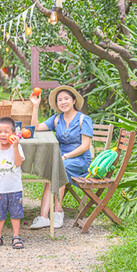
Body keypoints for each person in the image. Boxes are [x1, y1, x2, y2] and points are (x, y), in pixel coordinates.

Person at [28, 85, 93, 229]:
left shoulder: (84, 119)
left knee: (58, 168)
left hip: (79, 160)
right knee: (56, 168)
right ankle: (44, 217)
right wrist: (35, 106)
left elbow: (85, 146)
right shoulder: (57, 119)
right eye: (60, 100)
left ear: (74, 101)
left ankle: (57, 212)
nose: (63, 102)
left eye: (66, 99)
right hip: (61, 160)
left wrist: (66, 156)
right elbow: (35, 128)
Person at [0, 117, 25, 249]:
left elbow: (18, 163)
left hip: (15, 188)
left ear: (14, 133)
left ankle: (16, 236)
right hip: (0, 189)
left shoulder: (17, 147)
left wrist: (15, 147)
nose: (3, 135)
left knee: (16, 214)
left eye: (7, 132)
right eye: (0, 131)